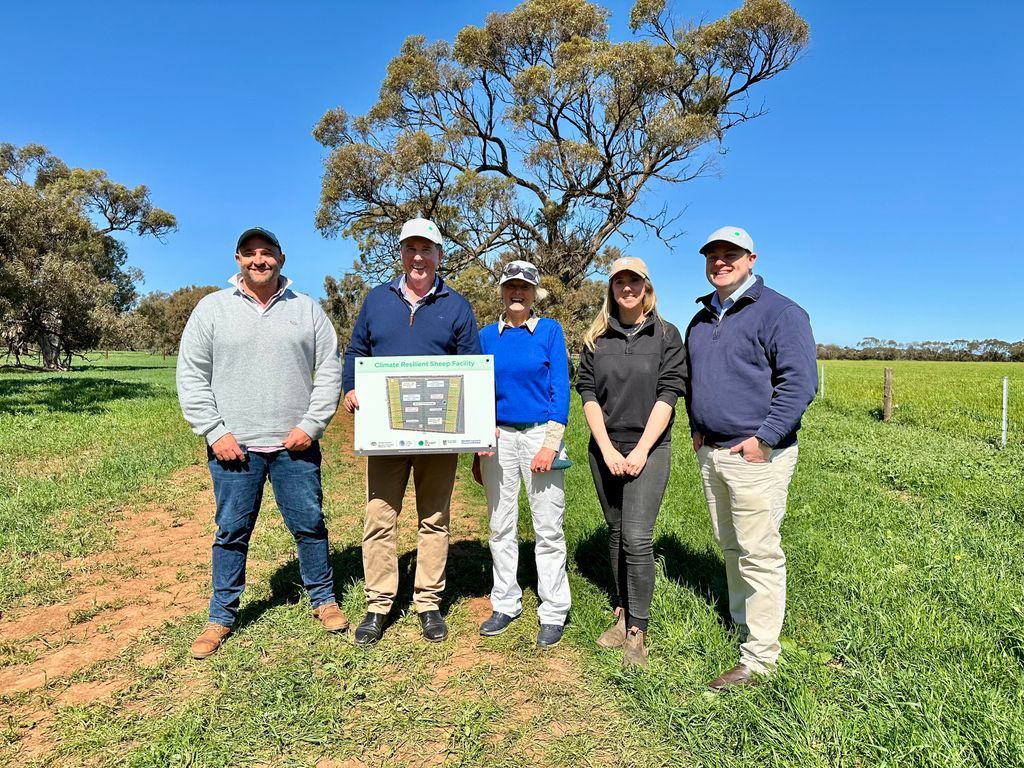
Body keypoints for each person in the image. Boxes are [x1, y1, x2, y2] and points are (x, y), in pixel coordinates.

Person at [176, 227, 347, 660]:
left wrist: (311, 425)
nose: (259, 260)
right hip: (234, 447)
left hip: (295, 445)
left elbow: (329, 370)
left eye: (267, 253)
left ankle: (323, 599)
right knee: (232, 531)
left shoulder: (307, 310)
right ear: (237, 260)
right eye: (250, 253)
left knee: (309, 525)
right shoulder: (211, 309)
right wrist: (215, 432)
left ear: (281, 259)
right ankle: (221, 616)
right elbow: (192, 376)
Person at [684, 225, 816, 691]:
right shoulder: (700, 320)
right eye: (713, 254)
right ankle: (745, 629)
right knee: (731, 545)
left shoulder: (781, 312)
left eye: (731, 254)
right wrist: (696, 426)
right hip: (712, 452)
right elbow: (694, 381)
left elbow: (799, 384)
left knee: (758, 551)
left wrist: (765, 438)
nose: (721, 261)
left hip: (757, 453)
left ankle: (760, 658)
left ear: (751, 258)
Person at [343, 217, 481, 645]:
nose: (418, 257)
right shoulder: (376, 300)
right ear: (401, 254)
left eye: (426, 250)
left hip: (439, 435)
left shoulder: (456, 306)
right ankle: (378, 604)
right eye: (410, 249)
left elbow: (471, 365)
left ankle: (428, 603)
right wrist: (350, 386)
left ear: (439, 256)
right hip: (385, 432)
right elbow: (356, 349)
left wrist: (474, 426)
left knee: (434, 518)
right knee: (380, 517)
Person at [576, 256, 686, 668]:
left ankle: (638, 630)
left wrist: (640, 450)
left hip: (650, 447)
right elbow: (586, 392)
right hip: (604, 446)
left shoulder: (666, 335)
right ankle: (622, 613)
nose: (627, 287)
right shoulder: (596, 338)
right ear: (611, 288)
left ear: (646, 286)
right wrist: (605, 448)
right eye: (619, 281)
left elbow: (670, 392)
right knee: (617, 530)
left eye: (634, 281)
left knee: (638, 536)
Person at [473, 261, 571, 648]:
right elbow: (475, 389)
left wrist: (550, 443)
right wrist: (479, 434)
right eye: (511, 286)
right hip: (497, 439)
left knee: (548, 527)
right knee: (501, 525)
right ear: (501, 290)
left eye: (525, 287)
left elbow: (560, 388)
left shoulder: (549, 331)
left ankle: (553, 610)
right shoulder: (485, 336)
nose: (518, 293)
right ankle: (506, 602)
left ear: (535, 294)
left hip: (539, 437)